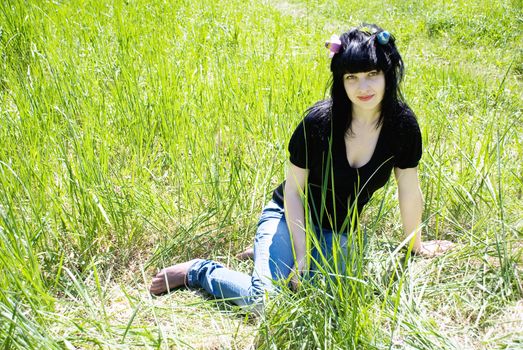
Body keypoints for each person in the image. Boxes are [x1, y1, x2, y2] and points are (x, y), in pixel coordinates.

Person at [149, 24, 453, 307]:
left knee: (331, 302)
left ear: (388, 74)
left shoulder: (402, 126)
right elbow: (293, 192)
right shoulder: (318, 122)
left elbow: (409, 190)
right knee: (266, 303)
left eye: (372, 74)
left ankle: (265, 252)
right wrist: (303, 253)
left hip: (339, 230)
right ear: (341, 80)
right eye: (351, 77)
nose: (363, 86)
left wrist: (417, 245)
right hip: (289, 216)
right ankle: (200, 272)